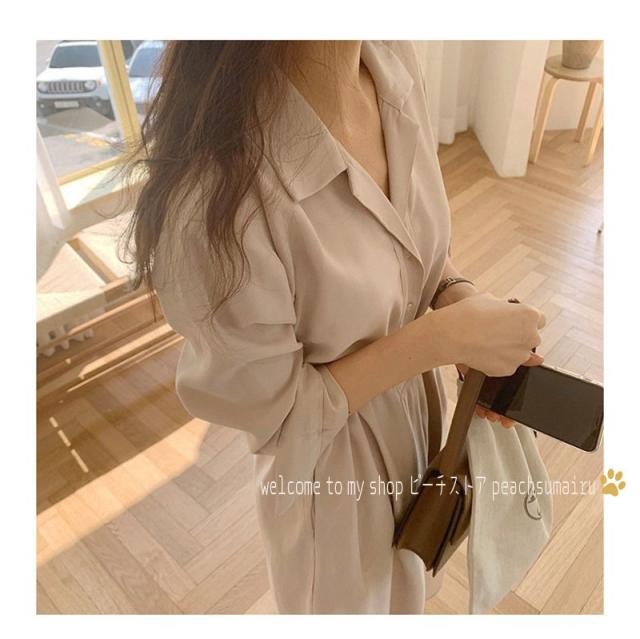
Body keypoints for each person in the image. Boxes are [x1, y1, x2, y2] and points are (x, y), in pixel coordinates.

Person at [124, 40, 546, 614]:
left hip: (417, 425)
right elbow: (280, 417)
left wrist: (454, 295)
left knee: (409, 584)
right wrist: (443, 339)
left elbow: (398, 238)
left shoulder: (391, 62)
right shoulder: (213, 201)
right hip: (332, 483)